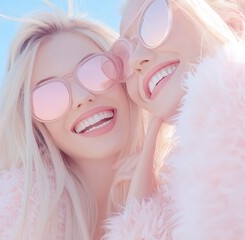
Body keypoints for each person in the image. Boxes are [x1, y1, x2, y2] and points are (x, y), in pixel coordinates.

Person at [0, 4, 152, 240]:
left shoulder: (185, 188)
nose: (82, 98)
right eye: (50, 96)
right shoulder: (18, 217)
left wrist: (145, 210)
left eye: (96, 70)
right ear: (35, 125)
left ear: (126, 71)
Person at [104, 0, 245, 239]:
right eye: (123, 55)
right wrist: (141, 211)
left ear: (231, 24)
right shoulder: (175, 185)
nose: (136, 59)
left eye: (153, 21)